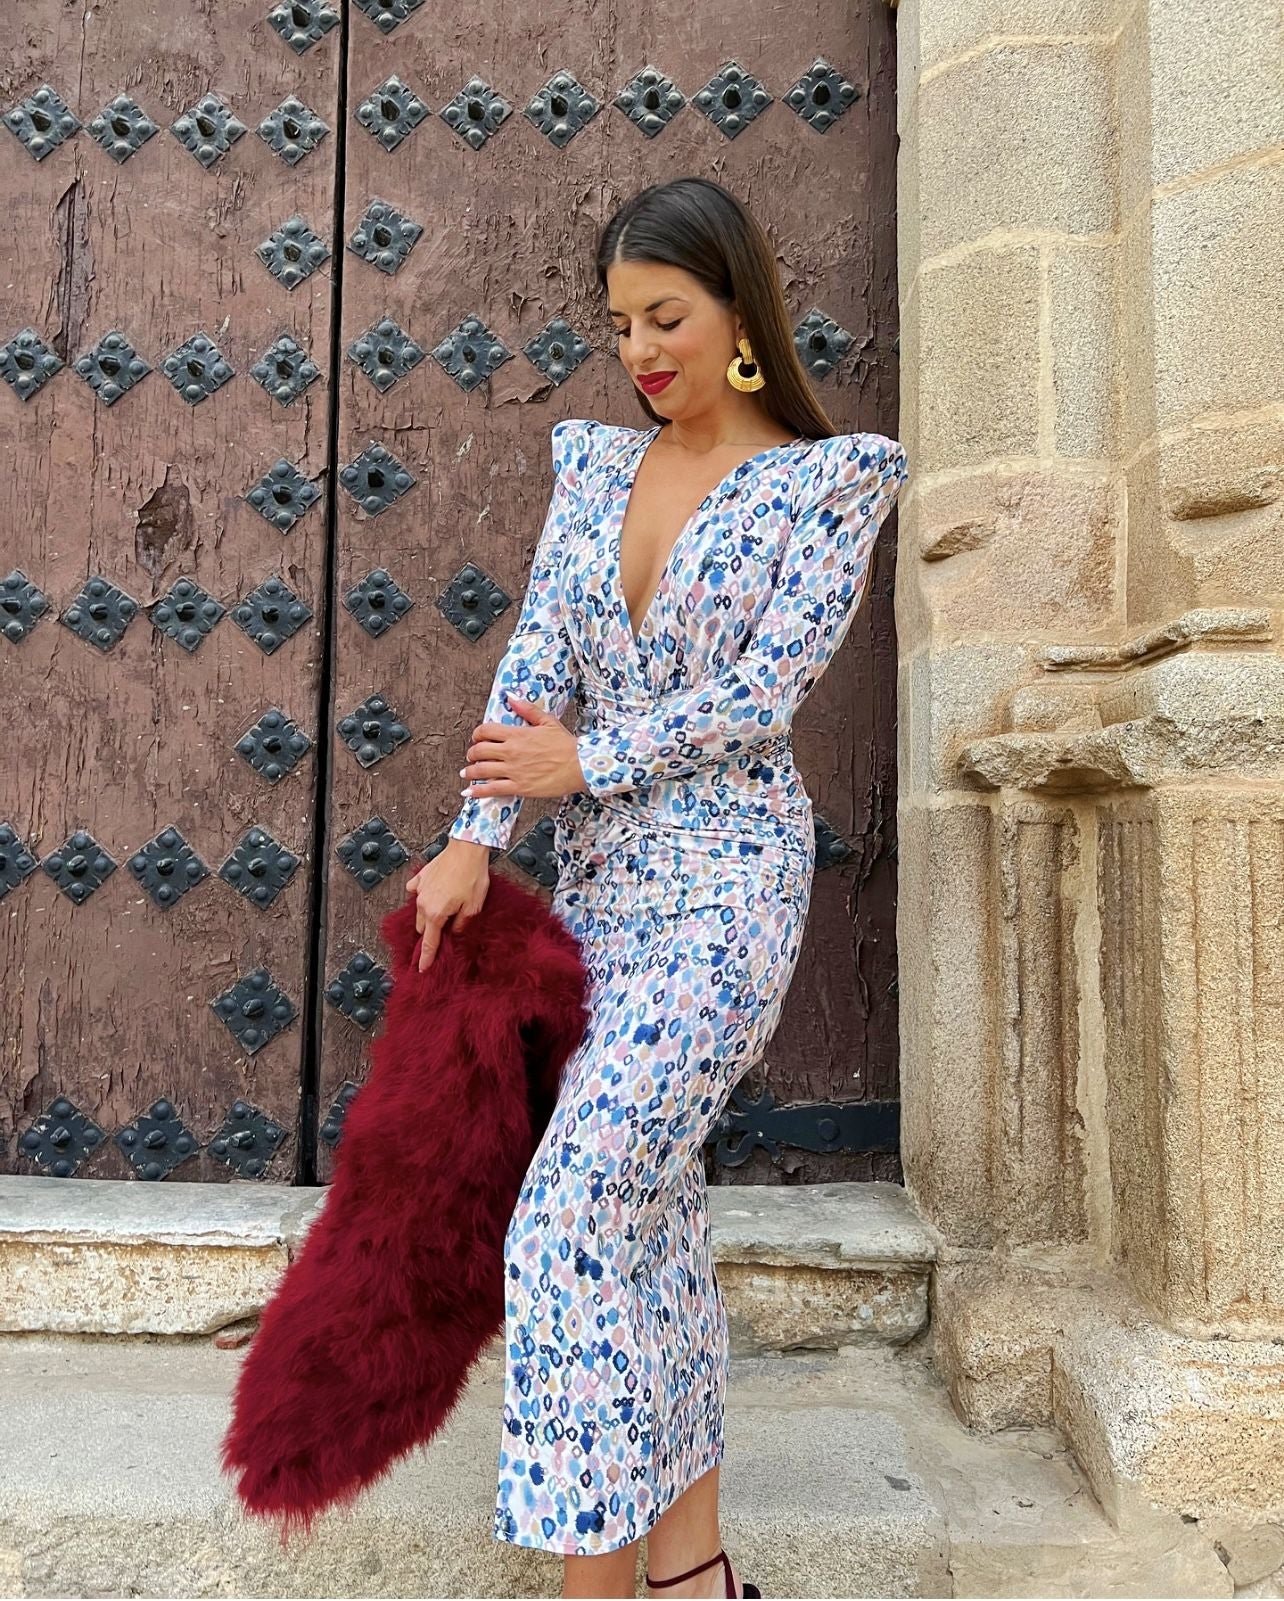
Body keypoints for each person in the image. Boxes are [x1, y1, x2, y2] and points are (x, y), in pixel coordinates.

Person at [405, 176, 909, 1600]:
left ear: (740, 311)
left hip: (729, 891)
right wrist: (475, 834)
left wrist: (590, 760)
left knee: (567, 1214)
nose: (640, 350)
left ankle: (596, 1589)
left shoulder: (825, 483)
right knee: (649, 1219)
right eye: (621, 322)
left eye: (667, 317)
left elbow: (765, 694)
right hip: (599, 899)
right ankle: (695, 1575)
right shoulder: (593, 471)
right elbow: (534, 662)